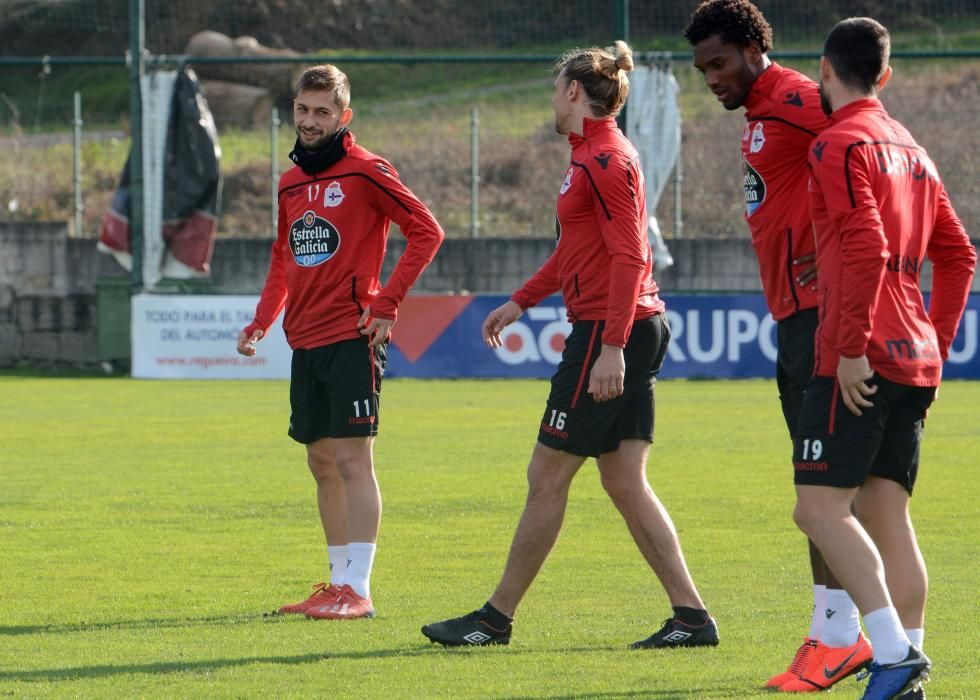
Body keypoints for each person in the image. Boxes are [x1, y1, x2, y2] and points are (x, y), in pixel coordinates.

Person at [421, 41, 718, 649]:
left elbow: (631, 255)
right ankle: (692, 619)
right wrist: (520, 300)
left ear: (575, 92)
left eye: (556, 87)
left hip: (616, 329)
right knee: (624, 481)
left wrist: (610, 345)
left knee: (546, 475)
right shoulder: (589, 155)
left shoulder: (605, 159)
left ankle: (494, 619)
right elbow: (574, 253)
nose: (551, 98)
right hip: (630, 325)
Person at [683, 1, 869, 691]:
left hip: (823, 320)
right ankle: (830, 633)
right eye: (703, 69)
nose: (711, 79)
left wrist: (844, 250)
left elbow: (871, 151)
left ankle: (846, 637)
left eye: (719, 64)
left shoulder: (795, 99)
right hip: (795, 319)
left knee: (826, 488)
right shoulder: (763, 115)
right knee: (820, 484)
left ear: (752, 49)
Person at [793, 17, 976, 700]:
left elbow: (866, 247)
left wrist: (846, 350)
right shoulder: (913, 149)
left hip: (861, 353)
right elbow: (958, 255)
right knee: (885, 514)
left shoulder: (838, 142)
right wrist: (937, 339)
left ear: (825, 69)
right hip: (913, 355)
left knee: (817, 511)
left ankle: (895, 656)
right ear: (887, 76)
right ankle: (910, 671)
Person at [237, 64, 444, 620]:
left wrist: (388, 302)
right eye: (302, 109)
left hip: (351, 336)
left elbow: (427, 230)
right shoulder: (289, 182)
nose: (309, 120)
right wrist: (262, 319)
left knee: (354, 461)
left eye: (322, 111)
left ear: (343, 116)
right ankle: (336, 583)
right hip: (303, 339)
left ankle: (360, 589)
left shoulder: (366, 171)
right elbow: (284, 257)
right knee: (322, 463)